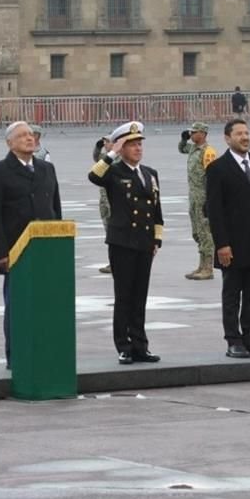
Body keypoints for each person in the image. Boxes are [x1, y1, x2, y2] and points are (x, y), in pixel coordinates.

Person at [0, 120, 62, 368]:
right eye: (23, 136)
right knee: (17, 306)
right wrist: (1, 254)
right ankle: (16, 356)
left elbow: (55, 209)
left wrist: (58, 244)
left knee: (46, 304)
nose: (30, 138)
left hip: (46, 250)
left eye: (31, 135)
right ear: (10, 143)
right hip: (18, 252)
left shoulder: (46, 170)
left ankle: (45, 351)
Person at [88, 121, 164, 365]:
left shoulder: (150, 173)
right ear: (122, 148)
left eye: (140, 144)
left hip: (144, 242)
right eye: (132, 145)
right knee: (124, 296)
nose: (138, 148)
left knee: (140, 296)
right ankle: (124, 346)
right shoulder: (114, 171)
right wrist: (112, 152)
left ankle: (141, 345)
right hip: (122, 242)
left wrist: (157, 239)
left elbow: (156, 210)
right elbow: (93, 175)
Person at [206, 119, 250, 359]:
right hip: (232, 245)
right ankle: (233, 340)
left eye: (247, 133)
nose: (245, 137)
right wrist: (222, 245)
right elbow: (214, 211)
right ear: (227, 138)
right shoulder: (217, 168)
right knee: (232, 294)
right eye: (239, 134)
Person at [179, 122, 217, 280]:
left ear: (203, 134)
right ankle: (201, 265)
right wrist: (183, 139)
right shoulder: (193, 149)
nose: (192, 135)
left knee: (205, 233)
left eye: (194, 132)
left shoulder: (208, 152)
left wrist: (210, 200)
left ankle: (208, 268)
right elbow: (182, 149)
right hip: (194, 197)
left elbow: (212, 176)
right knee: (197, 233)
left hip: (203, 198)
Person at [93, 135, 114, 274]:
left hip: (113, 202)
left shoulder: (117, 159)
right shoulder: (106, 158)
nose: (105, 144)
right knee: (109, 233)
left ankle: (117, 263)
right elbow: (96, 158)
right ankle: (112, 262)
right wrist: (98, 146)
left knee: (115, 234)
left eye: (108, 142)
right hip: (104, 201)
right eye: (105, 142)